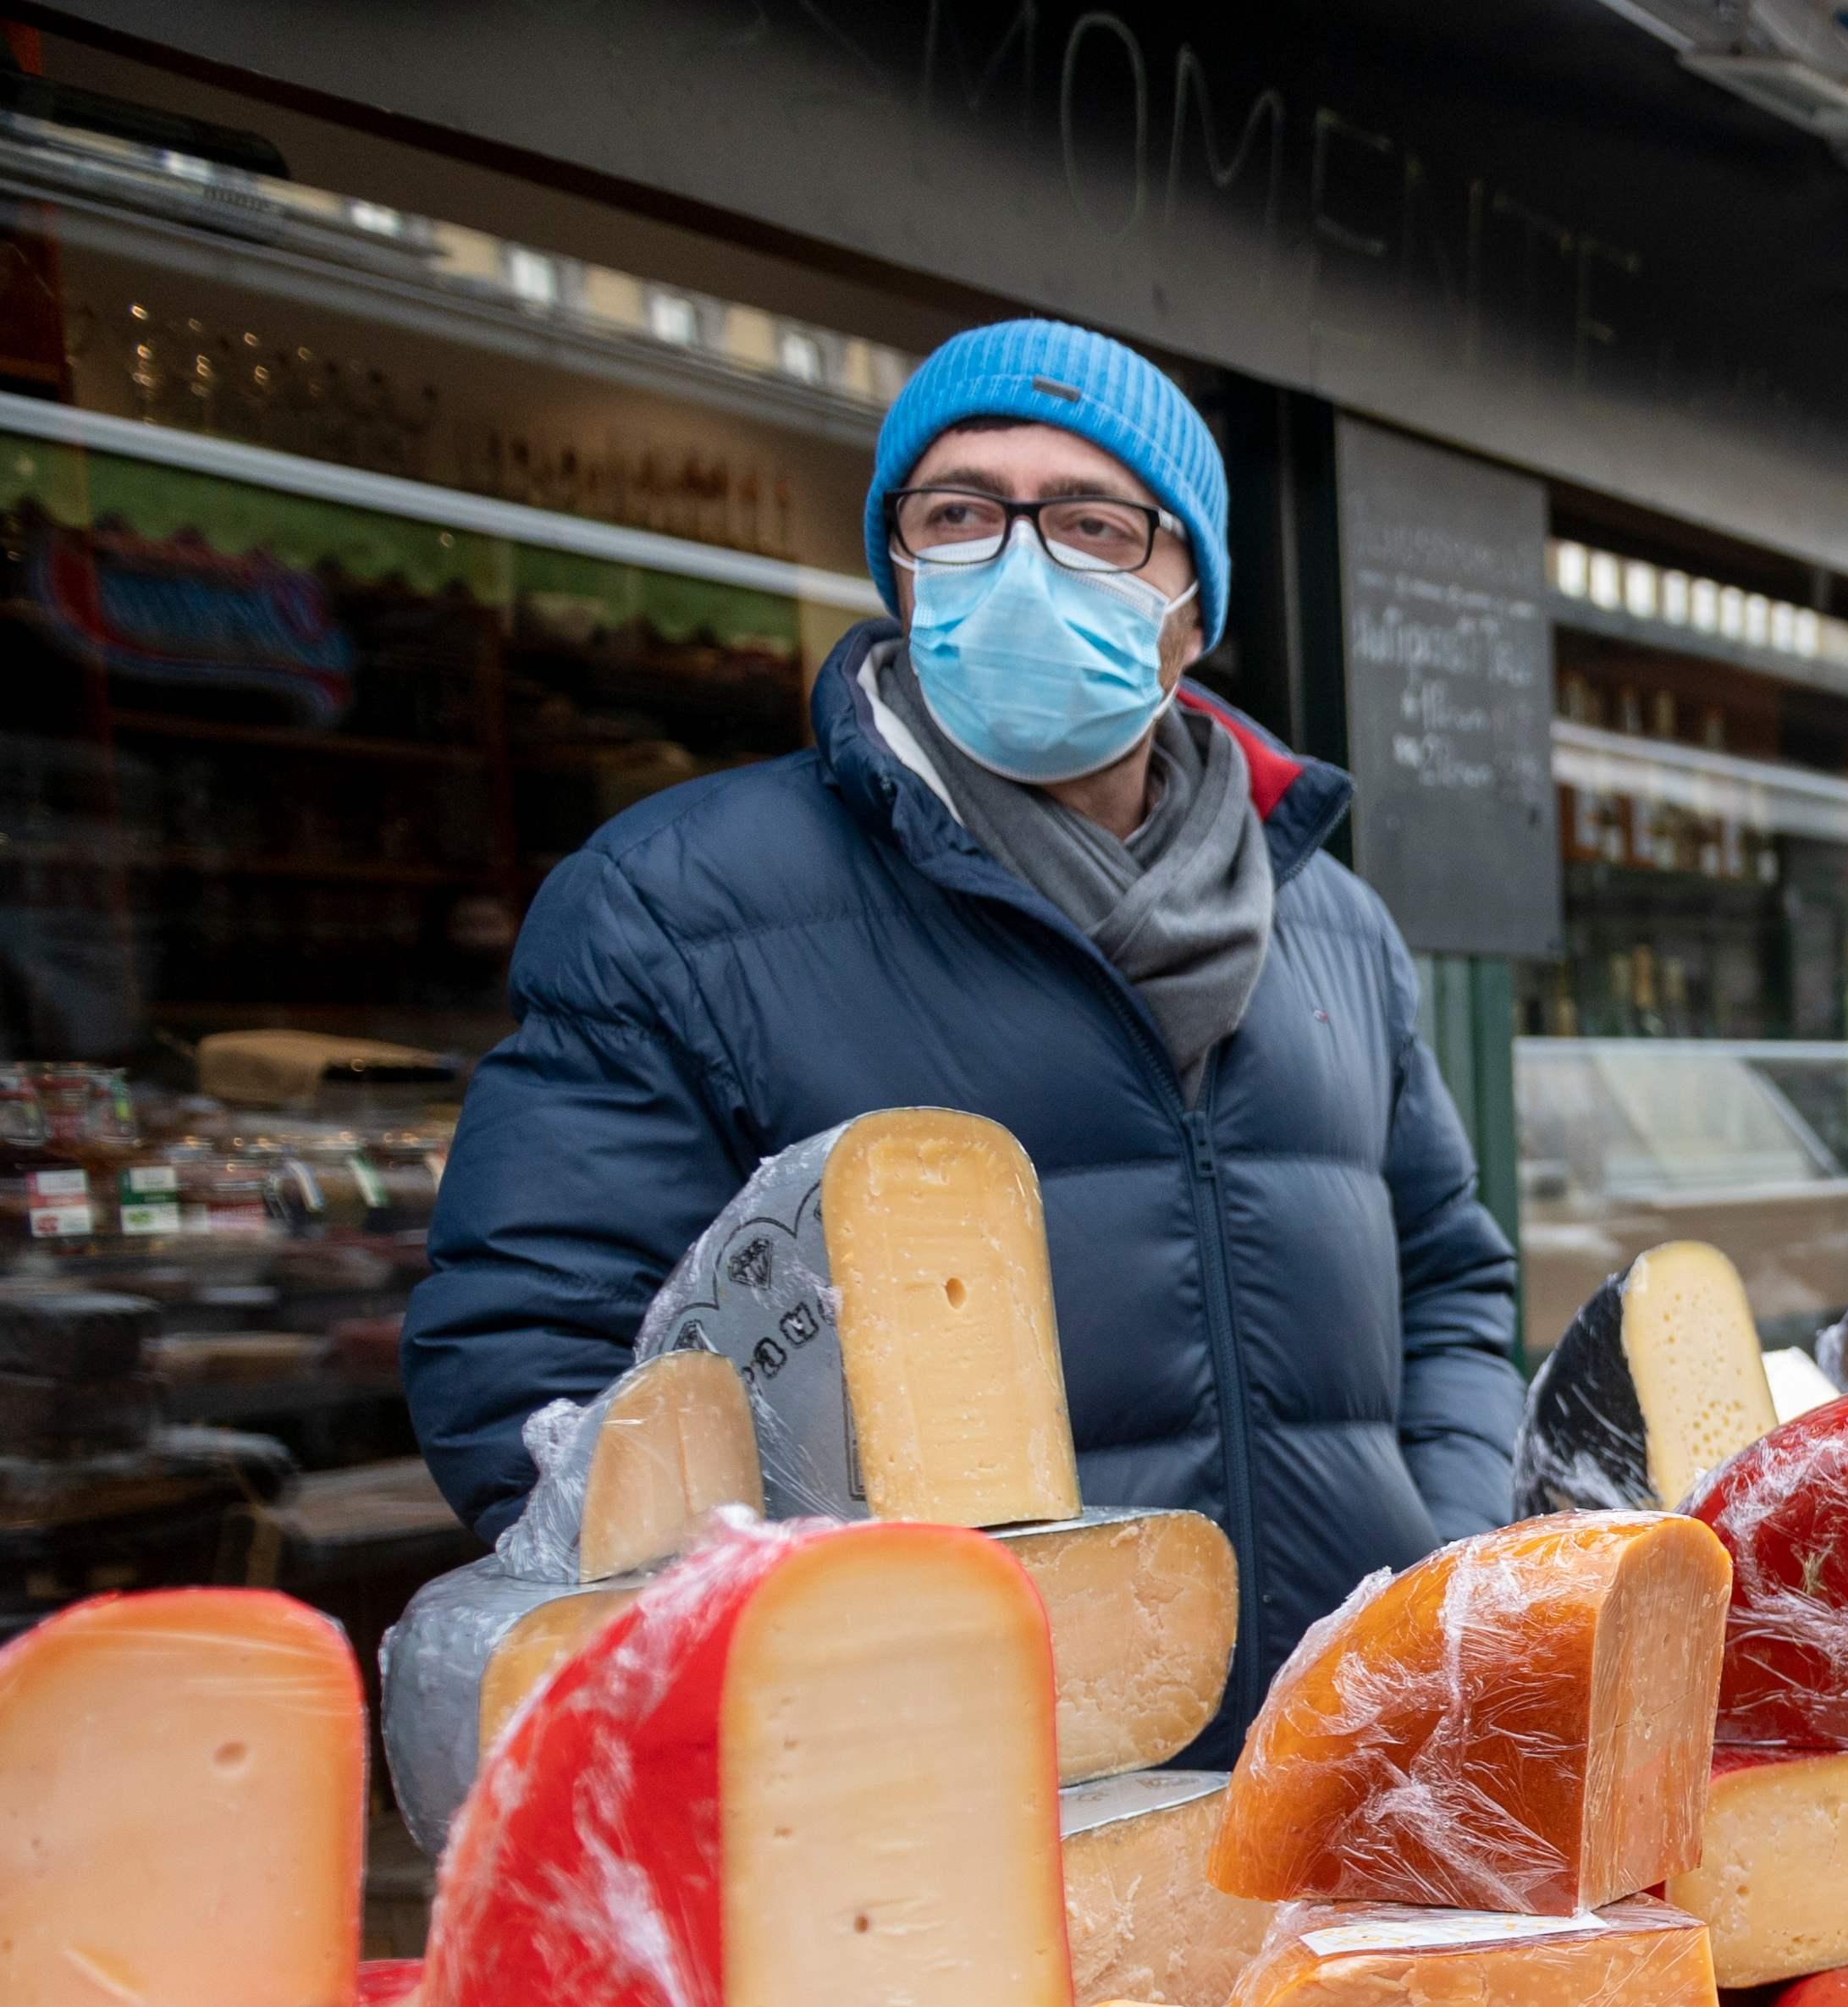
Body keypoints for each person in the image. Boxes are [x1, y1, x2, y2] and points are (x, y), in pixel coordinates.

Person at [405, 319, 1525, 1751]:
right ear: (901, 568)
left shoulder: (1334, 928)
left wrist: (1434, 1556)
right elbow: (537, 1362)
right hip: (937, 1795)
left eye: (1092, 523)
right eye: (960, 515)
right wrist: (796, 1690)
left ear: (1194, 603)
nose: (1021, 559)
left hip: (1340, 1746)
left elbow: (1449, 1279)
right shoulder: (678, 901)